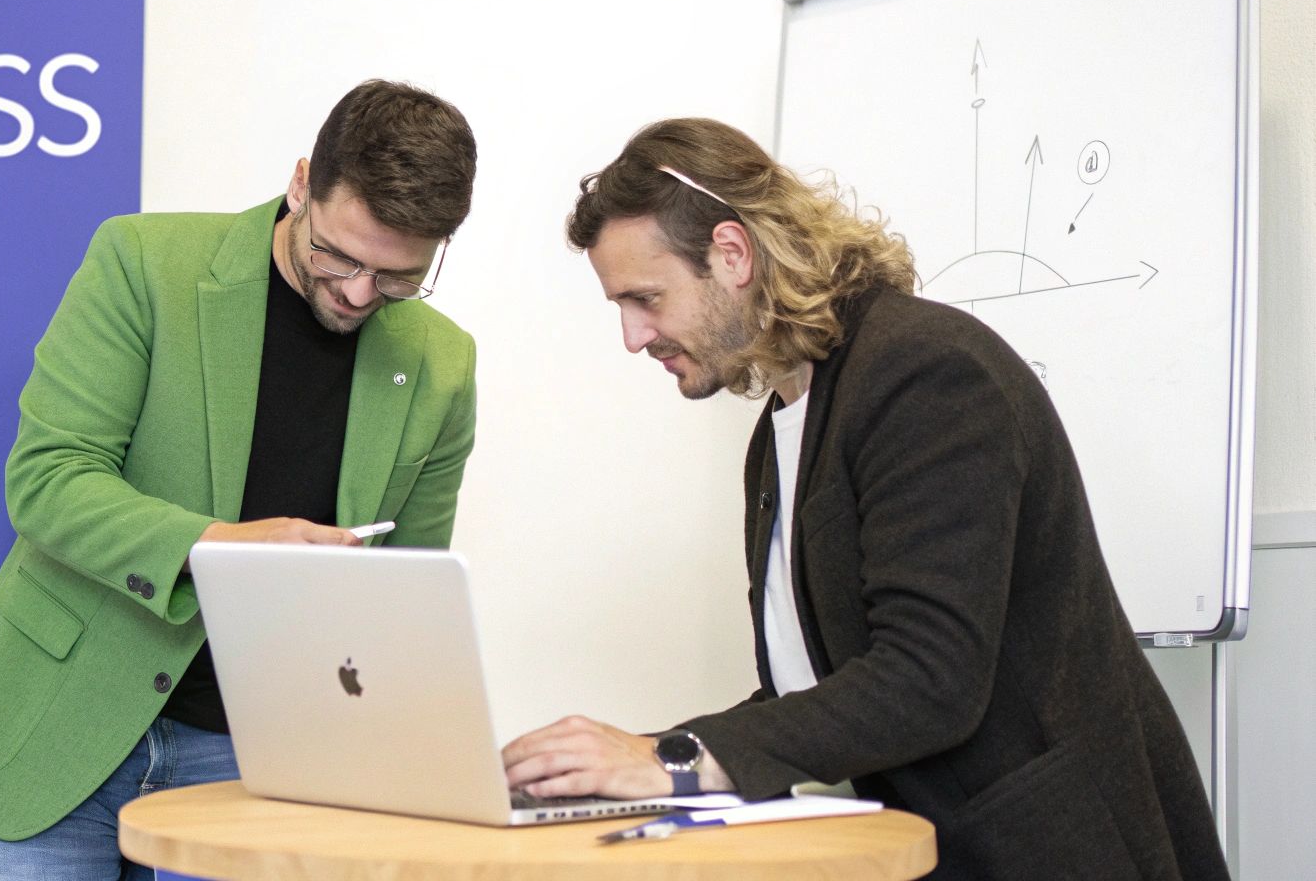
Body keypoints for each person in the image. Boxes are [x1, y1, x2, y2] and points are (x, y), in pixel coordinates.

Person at [502, 117, 1228, 880]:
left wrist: (676, 761)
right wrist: (627, 761)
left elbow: (929, 679)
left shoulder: (925, 373)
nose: (632, 335)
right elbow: (819, 688)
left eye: (645, 297)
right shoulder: (787, 423)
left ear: (732, 253)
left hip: (1049, 853)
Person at [0, 79, 481, 879]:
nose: (360, 293)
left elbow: (408, 596)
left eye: (397, 277)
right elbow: (49, 479)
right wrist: (225, 546)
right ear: (300, 185)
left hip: (260, 768)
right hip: (52, 735)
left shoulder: (442, 365)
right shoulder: (144, 264)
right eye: (339, 255)